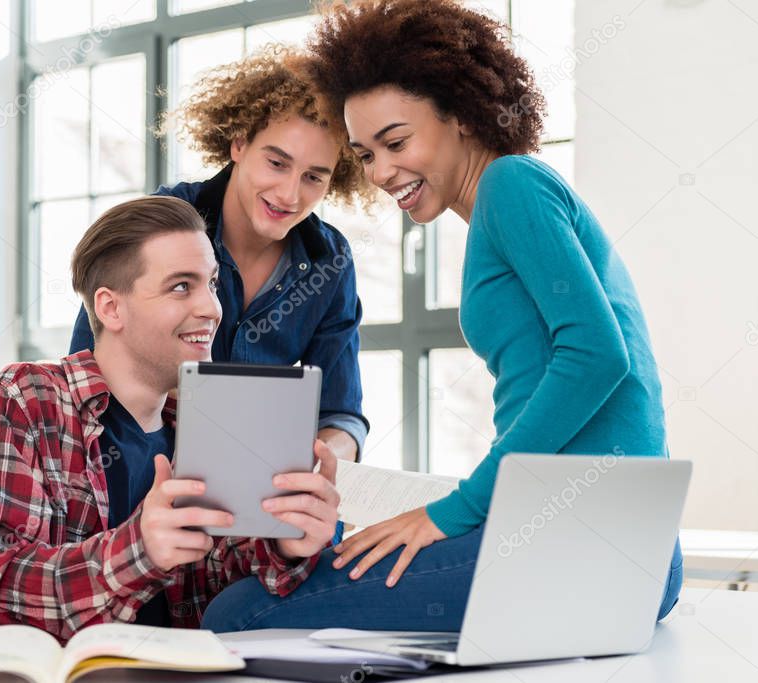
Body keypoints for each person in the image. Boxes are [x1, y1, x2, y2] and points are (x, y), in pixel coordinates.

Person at [201, 0, 682, 632]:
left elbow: (598, 356)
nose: (380, 172)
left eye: (395, 142)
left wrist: (453, 512)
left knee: (238, 613)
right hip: (601, 533)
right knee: (288, 581)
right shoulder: (498, 208)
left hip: (599, 536)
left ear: (459, 115)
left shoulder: (513, 184)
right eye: (365, 154)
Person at [0, 196, 339, 642]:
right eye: (181, 286)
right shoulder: (25, 399)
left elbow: (213, 582)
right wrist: (138, 551)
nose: (212, 308)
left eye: (212, 283)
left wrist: (286, 543)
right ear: (110, 308)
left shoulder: (201, 424)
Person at [69, 48, 374, 468]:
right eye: (276, 163)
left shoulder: (330, 261)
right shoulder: (167, 223)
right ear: (239, 143)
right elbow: (87, 380)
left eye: (312, 177)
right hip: (132, 471)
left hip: (259, 483)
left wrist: (324, 459)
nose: (289, 195)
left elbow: (340, 412)